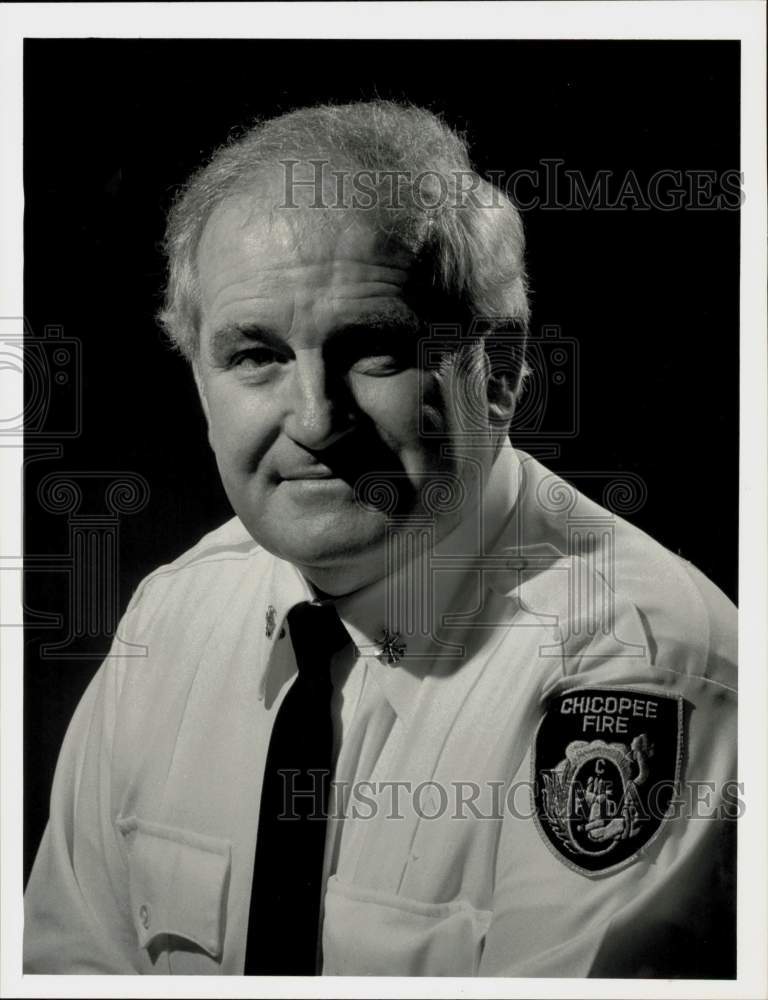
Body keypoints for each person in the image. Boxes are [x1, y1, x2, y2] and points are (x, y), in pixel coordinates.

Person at [24, 100, 737, 977]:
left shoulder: (634, 664)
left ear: (501, 373)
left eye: (375, 352)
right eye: (256, 356)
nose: (316, 419)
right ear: (201, 380)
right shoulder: (168, 620)